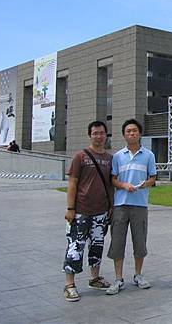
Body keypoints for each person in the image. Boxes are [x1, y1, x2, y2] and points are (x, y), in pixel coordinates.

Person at [62, 121, 113, 302]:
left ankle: (95, 278)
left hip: (101, 212)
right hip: (81, 211)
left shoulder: (109, 158)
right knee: (76, 247)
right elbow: (72, 183)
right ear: (90, 135)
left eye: (101, 133)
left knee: (97, 246)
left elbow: (110, 185)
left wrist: (111, 207)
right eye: (95, 133)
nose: (98, 136)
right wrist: (70, 208)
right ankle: (69, 285)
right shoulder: (81, 157)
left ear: (106, 135)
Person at [106, 119, 156, 295]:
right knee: (118, 241)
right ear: (124, 135)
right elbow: (113, 179)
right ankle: (118, 278)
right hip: (120, 205)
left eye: (135, 131)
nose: (132, 134)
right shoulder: (118, 156)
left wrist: (145, 184)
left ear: (140, 134)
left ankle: (138, 275)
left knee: (139, 241)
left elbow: (153, 178)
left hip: (140, 205)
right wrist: (124, 185)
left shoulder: (148, 155)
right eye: (128, 131)